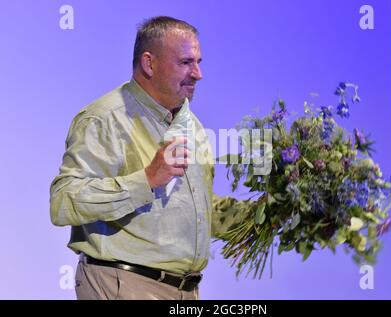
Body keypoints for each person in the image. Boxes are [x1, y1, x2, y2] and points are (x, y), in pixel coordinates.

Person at [49, 16, 245, 300]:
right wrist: (146, 179)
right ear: (149, 63)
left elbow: (198, 209)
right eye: (186, 62)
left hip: (185, 293)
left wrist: (270, 216)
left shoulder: (193, 126)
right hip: (124, 285)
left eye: (199, 62)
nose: (198, 73)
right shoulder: (105, 119)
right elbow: (63, 201)